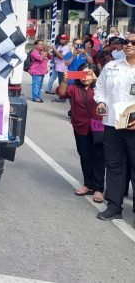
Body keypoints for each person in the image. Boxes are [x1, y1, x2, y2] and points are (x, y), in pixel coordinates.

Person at [94, 33, 135, 221]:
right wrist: (101, 102)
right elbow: (100, 88)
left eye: (133, 42)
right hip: (112, 124)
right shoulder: (112, 66)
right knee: (114, 166)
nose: (128, 45)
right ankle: (114, 206)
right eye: (126, 42)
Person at [57, 65, 105, 203]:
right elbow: (61, 93)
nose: (86, 77)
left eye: (89, 74)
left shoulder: (101, 89)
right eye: (82, 74)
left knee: (99, 158)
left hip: (99, 128)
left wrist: (98, 81)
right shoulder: (74, 89)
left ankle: (98, 189)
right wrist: (65, 80)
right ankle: (88, 184)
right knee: (85, 156)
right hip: (81, 127)